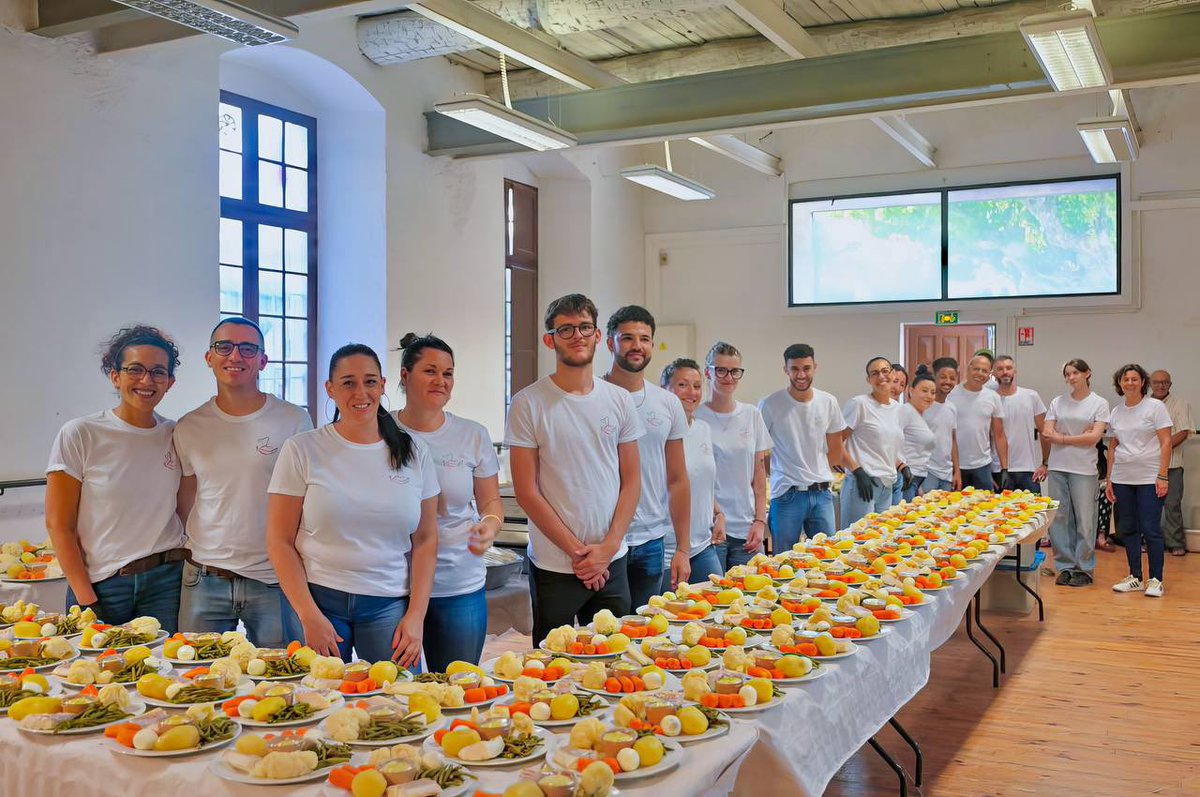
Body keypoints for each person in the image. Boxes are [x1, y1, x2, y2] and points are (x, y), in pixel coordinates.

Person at [267, 344, 439, 665]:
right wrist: (308, 616)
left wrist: (416, 615)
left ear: (383, 385)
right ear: (330, 389)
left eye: (370, 381)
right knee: (318, 701)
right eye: (348, 382)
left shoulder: (415, 451)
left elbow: (426, 539)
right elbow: (279, 540)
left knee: (396, 704)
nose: (361, 392)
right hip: (317, 599)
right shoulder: (302, 449)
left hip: (388, 601)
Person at [505, 294, 643, 646]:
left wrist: (608, 549)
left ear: (598, 336)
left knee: (615, 661)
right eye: (566, 329)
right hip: (556, 565)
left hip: (613, 559)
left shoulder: (618, 400)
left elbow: (631, 481)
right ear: (549, 339)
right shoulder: (528, 403)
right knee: (554, 669)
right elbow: (527, 491)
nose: (577, 335)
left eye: (584, 327)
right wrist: (580, 555)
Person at [174, 318, 312, 646]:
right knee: (197, 682)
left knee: (281, 683)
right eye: (224, 346)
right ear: (209, 357)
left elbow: (308, 500)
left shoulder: (293, 419)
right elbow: (187, 500)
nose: (235, 355)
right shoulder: (189, 426)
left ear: (262, 361)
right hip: (205, 577)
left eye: (247, 349)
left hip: (273, 578)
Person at [45, 325, 188, 629]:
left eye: (158, 372)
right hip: (102, 586)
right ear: (115, 375)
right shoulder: (80, 433)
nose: (146, 380)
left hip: (166, 584)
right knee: (96, 673)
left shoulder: (175, 434)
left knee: (166, 673)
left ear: (170, 382)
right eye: (135, 369)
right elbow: (59, 525)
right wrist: (87, 599)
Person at [394, 333, 503, 670]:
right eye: (430, 371)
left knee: (457, 686)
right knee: (399, 695)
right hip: (393, 588)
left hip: (458, 584)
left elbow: (491, 504)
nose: (441, 381)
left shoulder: (472, 434)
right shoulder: (381, 432)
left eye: (448, 373)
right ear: (405, 375)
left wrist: (489, 527)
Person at [603, 306, 690, 609]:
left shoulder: (667, 403)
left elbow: (678, 479)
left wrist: (682, 547)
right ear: (610, 342)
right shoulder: (592, 397)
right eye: (627, 337)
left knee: (643, 631)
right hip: (603, 538)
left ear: (652, 344)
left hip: (651, 539)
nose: (636, 345)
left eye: (644, 338)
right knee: (603, 634)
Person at [758, 344, 845, 552]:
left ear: (815, 367)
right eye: (795, 369)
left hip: (822, 493)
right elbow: (759, 454)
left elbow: (836, 450)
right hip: (787, 494)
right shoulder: (770, 404)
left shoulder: (828, 401)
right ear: (785, 370)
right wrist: (782, 471)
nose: (801, 374)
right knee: (783, 560)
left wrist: (818, 469)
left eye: (806, 368)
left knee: (826, 558)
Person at [695, 342, 771, 570]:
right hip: (709, 529)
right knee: (713, 599)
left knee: (748, 598)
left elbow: (759, 473)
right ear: (708, 372)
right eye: (721, 370)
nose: (728, 377)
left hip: (746, 528)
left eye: (734, 371)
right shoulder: (696, 417)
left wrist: (760, 521)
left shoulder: (751, 414)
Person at [1043, 358, 1110, 588]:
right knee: (1060, 518)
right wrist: (1078, 437)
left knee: (1085, 519)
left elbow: (1093, 438)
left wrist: (1061, 437)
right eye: (1068, 374)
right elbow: (1046, 431)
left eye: (1075, 373)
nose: (1071, 378)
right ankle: (1064, 566)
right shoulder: (1057, 402)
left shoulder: (1099, 403)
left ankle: (1084, 568)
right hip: (1058, 467)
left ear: (1087, 373)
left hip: (1084, 469)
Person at [1108, 364, 1173, 598]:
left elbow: (1166, 442)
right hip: (1122, 478)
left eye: (1135, 379)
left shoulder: (1155, 407)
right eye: (1126, 379)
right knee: (1128, 529)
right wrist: (1109, 480)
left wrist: (1162, 474)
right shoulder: (1116, 412)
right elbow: (1114, 446)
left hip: (1149, 478)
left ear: (1142, 382)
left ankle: (1156, 579)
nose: (1130, 383)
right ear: (1120, 383)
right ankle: (1135, 577)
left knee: (1151, 528)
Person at [659, 358, 725, 590]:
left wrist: (719, 514)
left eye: (697, 386)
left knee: (721, 604)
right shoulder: (658, 434)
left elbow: (701, 481)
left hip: (703, 545)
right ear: (664, 389)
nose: (692, 392)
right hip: (668, 549)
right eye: (683, 385)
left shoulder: (703, 429)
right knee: (669, 619)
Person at [839, 356, 906, 526]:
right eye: (875, 373)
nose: (881, 376)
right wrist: (857, 471)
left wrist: (902, 467)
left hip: (887, 484)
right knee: (857, 541)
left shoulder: (897, 408)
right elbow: (836, 443)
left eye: (885, 371)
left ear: (893, 374)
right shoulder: (859, 404)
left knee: (879, 541)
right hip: (862, 483)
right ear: (869, 379)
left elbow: (885, 447)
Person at [948, 352, 1009, 490]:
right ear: (968, 369)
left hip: (983, 465)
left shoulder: (993, 397)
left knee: (986, 507)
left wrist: (1004, 468)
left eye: (984, 371)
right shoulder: (952, 395)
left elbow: (999, 435)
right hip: (955, 466)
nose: (980, 373)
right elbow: (947, 434)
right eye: (976, 369)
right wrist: (954, 467)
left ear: (989, 374)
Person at [1150, 370, 1194, 556]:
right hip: (1146, 466)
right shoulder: (1144, 404)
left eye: (1165, 382)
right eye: (1156, 382)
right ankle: (1148, 542)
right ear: (1150, 384)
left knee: (1172, 505)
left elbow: (1183, 431)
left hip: (1172, 465)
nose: (1160, 386)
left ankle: (1176, 543)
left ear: (1170, 384)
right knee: (1147, 506)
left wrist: (1161, 448)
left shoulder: (1180, 404)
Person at [989, 355, 1048, 492]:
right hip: (998, 469)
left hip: (1027, 469)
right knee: (999, 512)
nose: (1005, 372)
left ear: (1015, 371)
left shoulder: (1031, 396)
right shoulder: (989, 398)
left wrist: (1045, 463)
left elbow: (1044, 432)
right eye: (1000, 369)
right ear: (994, 373)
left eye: (1008, 368)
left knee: (1034, 512)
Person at [917, 364, 961, 492]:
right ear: (934, 378)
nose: (948, 381)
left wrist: (957, 471)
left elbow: (952, 440)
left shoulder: (952, 407)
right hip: (927, 472)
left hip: (947, 473)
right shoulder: (922, 406)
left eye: (952, 378)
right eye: (943, 377)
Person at [899, 370, 938, 501]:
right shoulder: (905, 411)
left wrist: (919, 487)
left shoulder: (921, 415)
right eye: (924, 390)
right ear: (911, 391)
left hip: (917, 479)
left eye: (933, 392)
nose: (929, 396)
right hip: (906, 478)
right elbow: (892, 443)